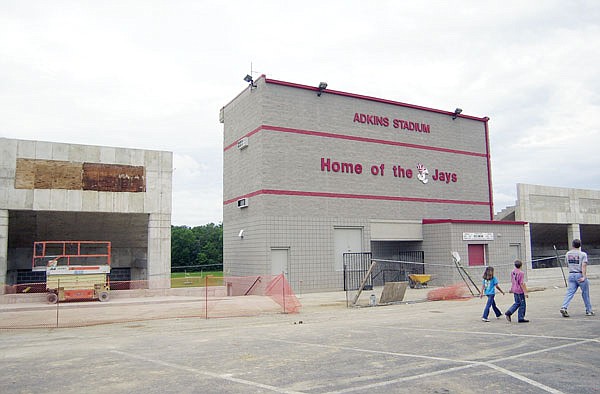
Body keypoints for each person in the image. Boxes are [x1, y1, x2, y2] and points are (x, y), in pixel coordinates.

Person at [560, 239, 594, 317]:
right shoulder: (583, 254)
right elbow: (584, 265)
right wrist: (584, 276)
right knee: (585, 293)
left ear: (572, 245)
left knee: (570, 292)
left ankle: (564, 307)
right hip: (579, 274)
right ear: (580, 245)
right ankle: (589, 310)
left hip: (571, 274)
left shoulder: (568, 254)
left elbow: (567, 264)